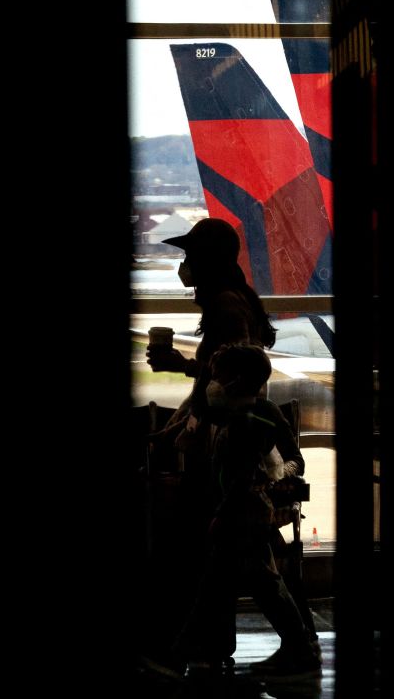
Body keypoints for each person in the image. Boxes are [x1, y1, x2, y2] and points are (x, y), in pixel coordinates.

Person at [141, 217, 280, 670]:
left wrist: (182, 381)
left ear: (206, 260)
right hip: (225, 442)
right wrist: (182, 396)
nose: (185, 267)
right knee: (219, 558)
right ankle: (201, 644)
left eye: (189, 256)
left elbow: (226, 381)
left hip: (221, 448)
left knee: (191, 552)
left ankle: (181, 645)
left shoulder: (223, 307)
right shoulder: (237, 302)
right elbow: (222, 378)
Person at [171, 343, 322, 678]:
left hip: (243, 512)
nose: (213, 382)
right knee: (251, 584)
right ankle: (300, 648)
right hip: (246, 512)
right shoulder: (230, 412)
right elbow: (196, 414)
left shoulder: (251, 418)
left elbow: (284, 464)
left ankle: (179, 654)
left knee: (229, 586)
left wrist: (273, 475)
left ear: (237, 381)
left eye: (218, 375)